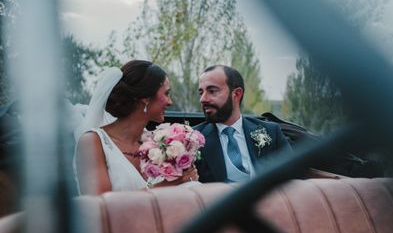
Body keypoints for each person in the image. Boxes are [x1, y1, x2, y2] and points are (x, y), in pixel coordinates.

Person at [75, 60, 198, 194]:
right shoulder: (93, 142)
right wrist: (166, 186)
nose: (170, 102)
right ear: (145, 98)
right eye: (166, 94)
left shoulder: (158, 142)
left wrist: (187, 177)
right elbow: (98, 205)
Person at [194, 64, 292, 183]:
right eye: (201, 92)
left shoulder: (271, 132)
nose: (203, 99)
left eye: (212, 91)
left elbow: (294, 175)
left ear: (236, 94)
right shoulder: (192, 139)